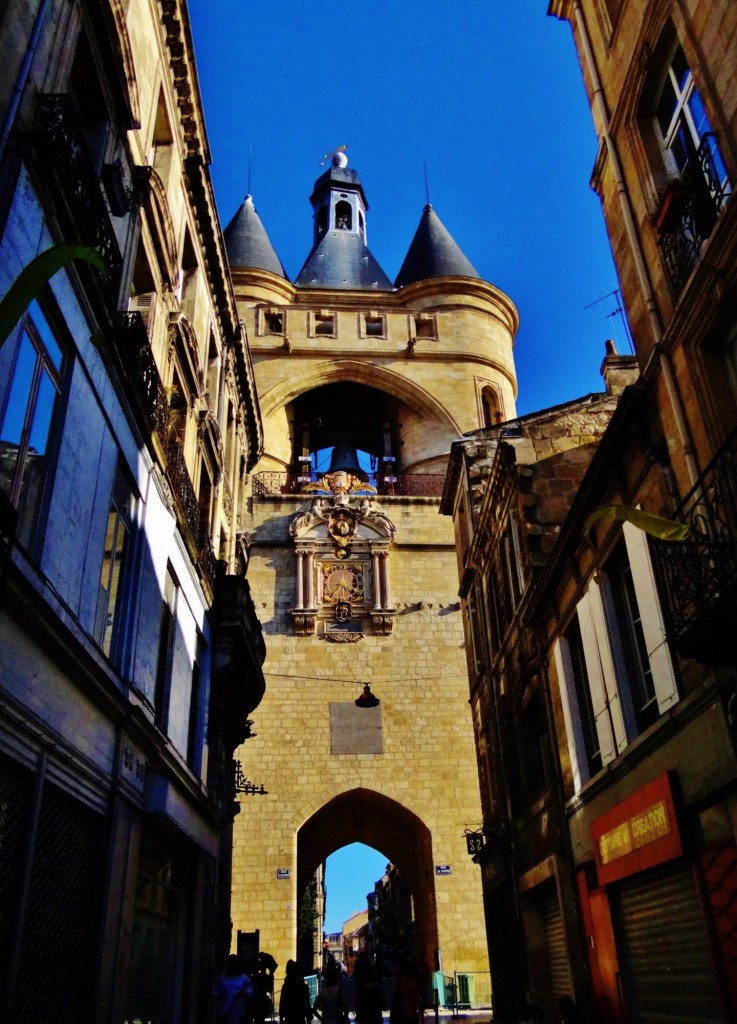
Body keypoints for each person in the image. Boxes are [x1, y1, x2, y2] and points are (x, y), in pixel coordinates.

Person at [213, 954, 254, 1024]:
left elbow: (250, 994)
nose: (232, 966)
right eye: (230, 963)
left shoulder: (244, 978)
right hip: (224, 1012)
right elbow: (216, 993)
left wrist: (242, 994)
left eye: (234, 963)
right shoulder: (222, 978)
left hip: (239, 1012)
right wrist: (224, 996)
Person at [389, 957, 421, 1024]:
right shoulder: (413, 982)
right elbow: (416, 998)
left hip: (403, 1014)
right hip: (410, 1014)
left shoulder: (402, 983)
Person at [280, 960, 312, 1024]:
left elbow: (282, 1003)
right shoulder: (304, 987)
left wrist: (281, 1019)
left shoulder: (286, 986)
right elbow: (307, 1004)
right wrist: (308, 1018)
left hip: (289, 1018)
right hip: (300, 1018)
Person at [313, 959, 345, 1024]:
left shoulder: (322, 992)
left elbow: (314, 1009)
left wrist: (321, 1019)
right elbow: (346, 1006)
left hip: (326, 1021)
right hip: (337, 1021)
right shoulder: (339, 990)